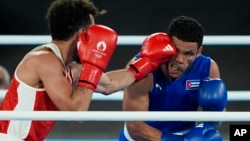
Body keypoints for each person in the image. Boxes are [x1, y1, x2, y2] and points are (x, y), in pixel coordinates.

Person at [0, 0, 177, 140]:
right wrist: (92, 66)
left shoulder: (71, 67)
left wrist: (146, 62)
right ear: (82, 34)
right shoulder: (44, 61)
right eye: (92, 30)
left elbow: (109, 85)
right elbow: (75, 113)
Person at [119, 16, 228, 141]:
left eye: (188, 54)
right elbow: (135, 127)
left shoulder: (208, 69)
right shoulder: (144, 70)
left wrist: (213, 116)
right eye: (176, 51)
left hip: (184, 135)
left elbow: (215, 120)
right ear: (167, 45)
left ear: (199, 51)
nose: (179, 60)